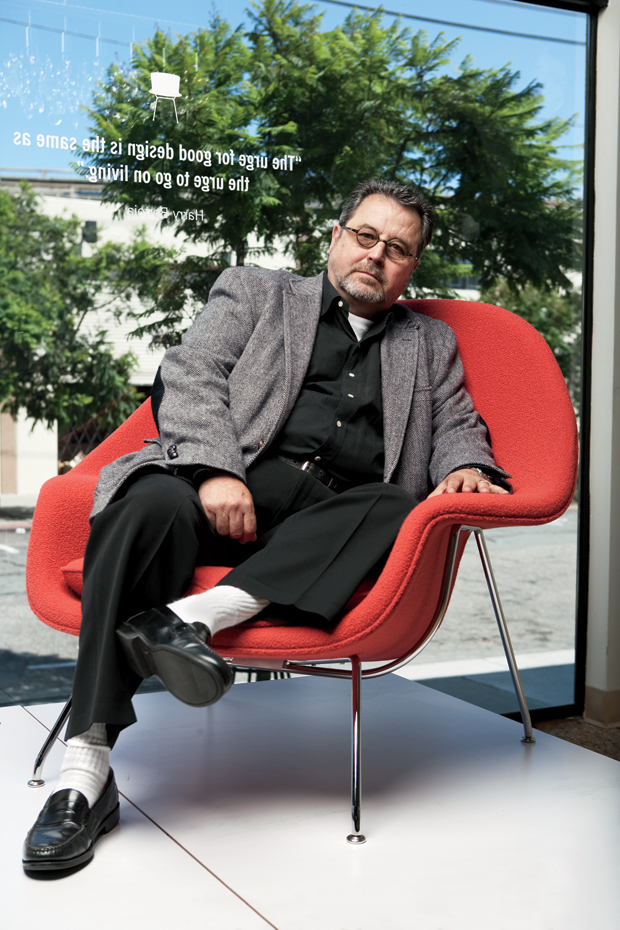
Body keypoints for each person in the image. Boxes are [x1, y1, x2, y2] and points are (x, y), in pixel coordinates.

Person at [22, 178, 511, 873]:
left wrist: (466, 465)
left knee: (395, 505)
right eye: (365, 236)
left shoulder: (429, 343)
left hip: (329, 524)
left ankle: (191, 621)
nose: (376, 255)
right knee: (145, 505)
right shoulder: (258, 292)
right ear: (336, 237)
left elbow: (458, 422)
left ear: (412, 267)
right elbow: (190, 374)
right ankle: (85, 774)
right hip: (230, 483)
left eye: (397, 249)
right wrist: (216, 471)